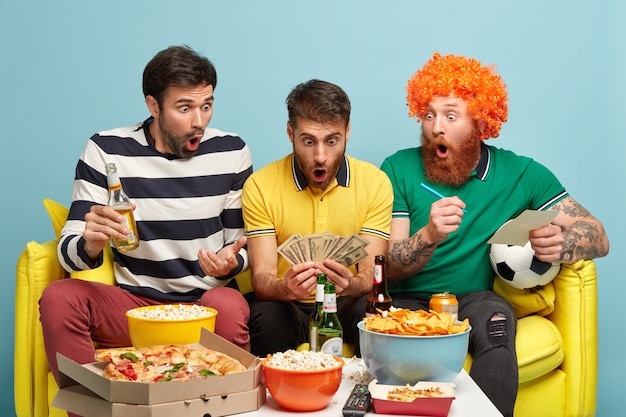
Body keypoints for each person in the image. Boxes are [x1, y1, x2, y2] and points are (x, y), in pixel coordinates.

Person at [378, 53, 609, 417]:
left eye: (451, 115)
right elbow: (389, 267)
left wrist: (564, 244)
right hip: (408, 298)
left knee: (498, 331)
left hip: (475, 299)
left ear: (480, 121)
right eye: (428, 115)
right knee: (396, 342)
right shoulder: (397, 168)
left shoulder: (522, 174)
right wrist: (428, 235)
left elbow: (597, 235)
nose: (437, 127)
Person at [39, 45, 253, 396]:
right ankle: (93, 406)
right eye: (184, 108)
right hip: (134, 308)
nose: (199, 120)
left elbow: (241, 244)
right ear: (153, 106)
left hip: (205, 304)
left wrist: (230, 264)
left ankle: (221, 405)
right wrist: (91, 243)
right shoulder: (106, 150)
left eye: (207, 105)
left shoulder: (231, 150)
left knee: (230, 305)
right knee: (59, 297)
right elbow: (68, 254)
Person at [242, 79, 393, 357]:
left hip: (346, 301)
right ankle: (277, 395)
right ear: (290, 133)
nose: (320, 156)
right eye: (308, 141)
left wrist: (349, 284)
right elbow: (262, 278)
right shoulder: (261, 185)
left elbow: (370, 275)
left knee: (372, 310)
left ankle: (369, 394)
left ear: (348, 132)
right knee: (267, 315)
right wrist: (285, 287)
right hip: (289, 305)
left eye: (332, 141)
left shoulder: (375, 183)